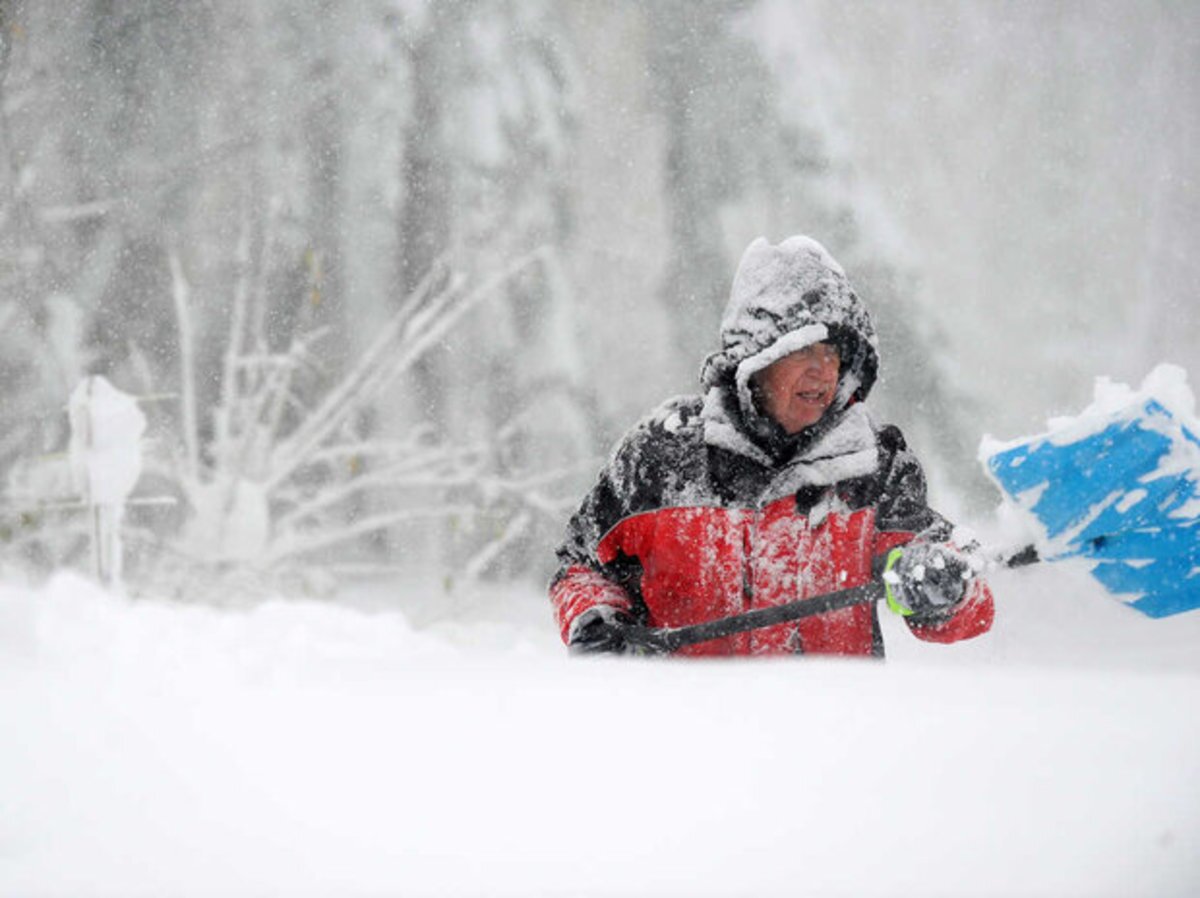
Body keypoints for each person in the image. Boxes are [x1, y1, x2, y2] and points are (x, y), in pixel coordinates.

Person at [550, 235, 994, 657]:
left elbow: (960, 590)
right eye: (805, 351)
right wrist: (597, 620)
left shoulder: (873, 466)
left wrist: (942, 588)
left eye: (834, 354)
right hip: (685, 729)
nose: (824, 372)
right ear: (755, 358)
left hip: (838, 731)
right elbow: (580, 564)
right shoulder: (661, 459)